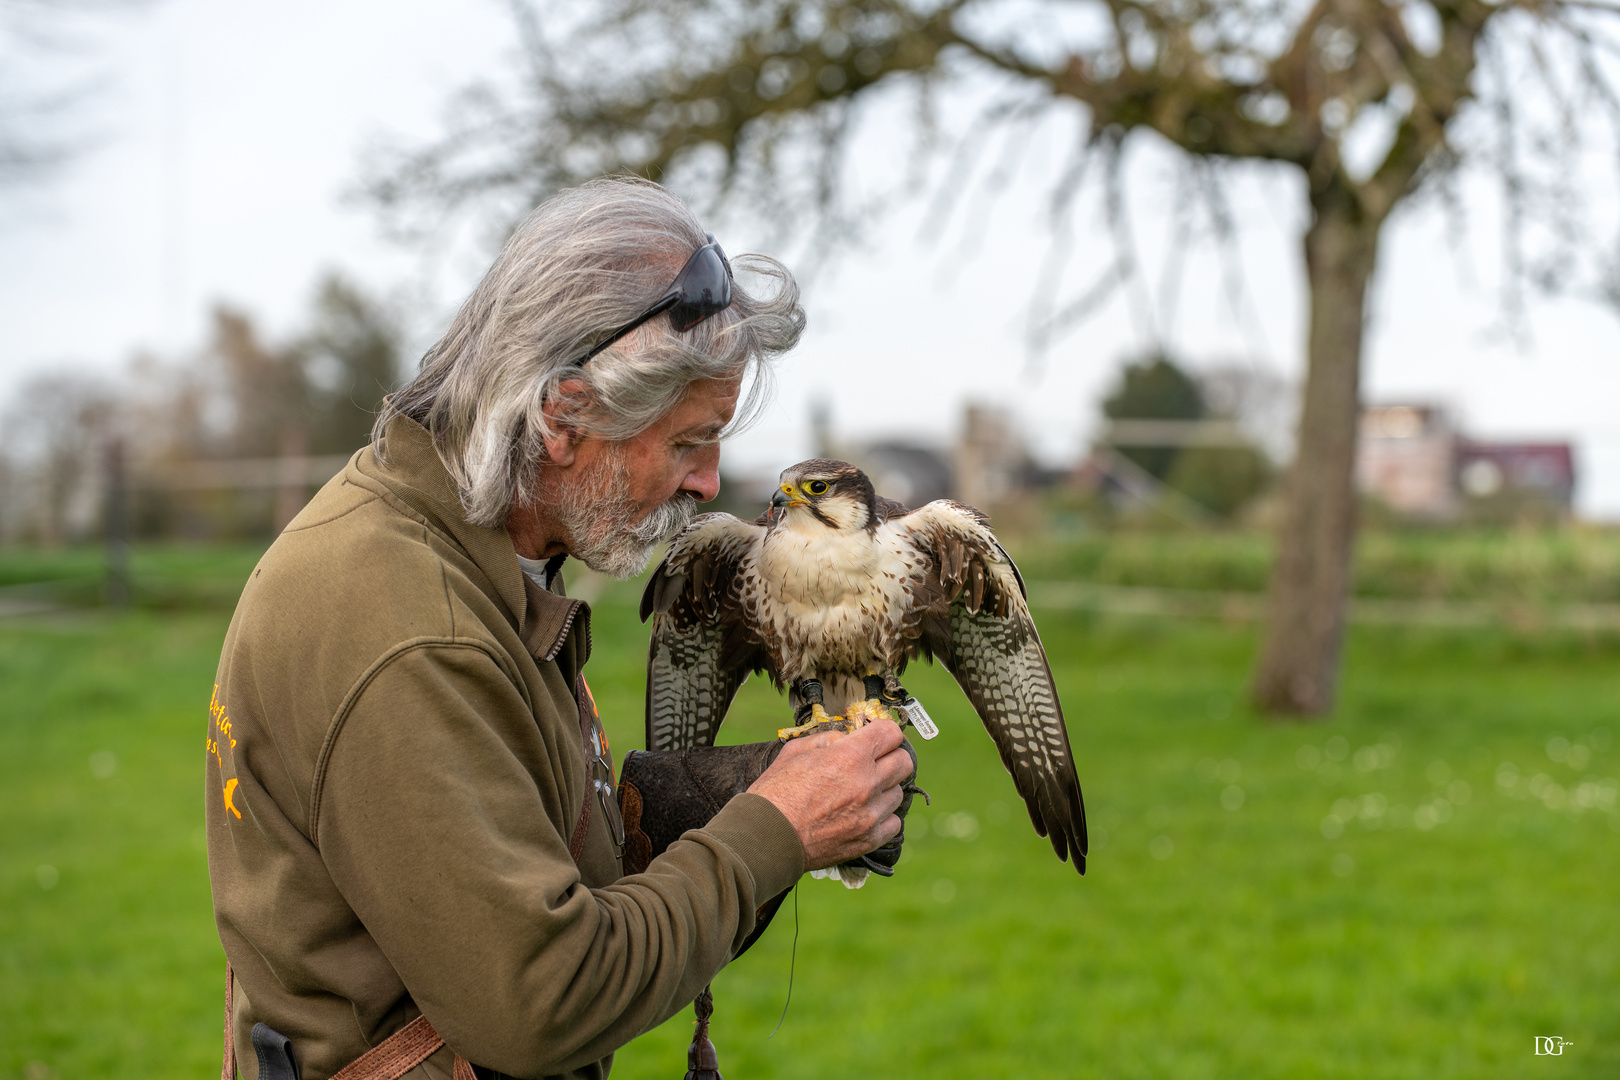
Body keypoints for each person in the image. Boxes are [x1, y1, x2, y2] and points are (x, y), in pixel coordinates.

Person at [205, 177, 914, 1080]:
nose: (708, 483)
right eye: (690, 440)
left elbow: (490, 882)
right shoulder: (414, 632)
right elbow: (541, 1002)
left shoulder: (476, 555)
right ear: (566, 414)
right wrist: (774, 829)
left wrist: (665, 826)